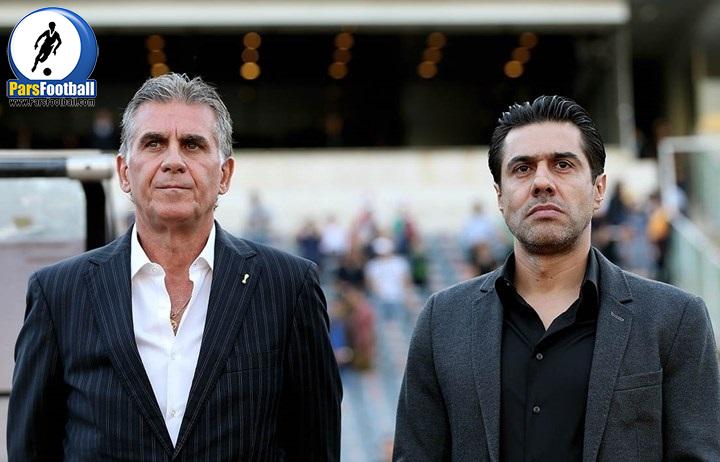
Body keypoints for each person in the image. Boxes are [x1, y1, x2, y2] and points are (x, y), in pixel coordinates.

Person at [8, 73, 342, 461]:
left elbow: (316, 447)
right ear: (124, 172)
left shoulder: (289, 287)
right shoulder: (58, 293)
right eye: (153, 143)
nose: (173, 161)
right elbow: (31, 448)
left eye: (192, 145)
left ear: (225, 174)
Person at [394, 95, 720, 461]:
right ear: (500, 196)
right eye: (522, 168)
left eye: (562, 165)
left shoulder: (675, 320)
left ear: (598, 189)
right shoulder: (442, 322)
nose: (542, 182)